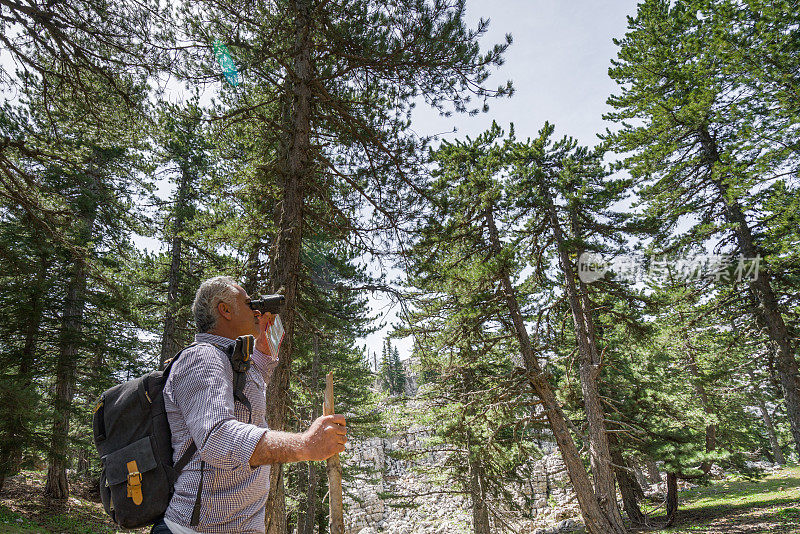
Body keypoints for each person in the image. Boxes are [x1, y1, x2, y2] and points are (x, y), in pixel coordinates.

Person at [151, 276, 346, 534]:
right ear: (225, 309)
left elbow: (249, 399)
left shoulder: (230, 360)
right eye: (247, 303)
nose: (256, 310)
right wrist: (305, 445)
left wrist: (264, 352)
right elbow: (218, 438)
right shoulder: (202, 356)